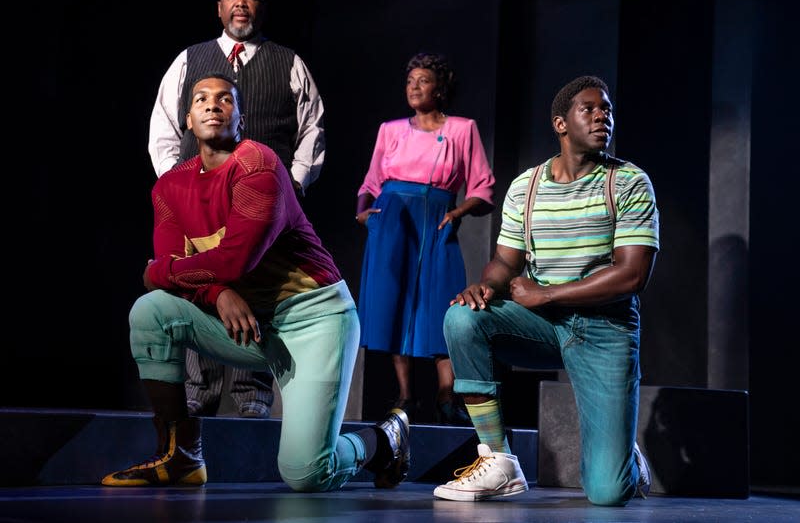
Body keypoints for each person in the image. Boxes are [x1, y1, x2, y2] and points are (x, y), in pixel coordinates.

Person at [103, 73, 409, 490]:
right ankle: (181, 456)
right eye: (201, 99)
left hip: (314, 321)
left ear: (240, 118)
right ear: (188, 121)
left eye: (225, 99)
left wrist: (158, 271)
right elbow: (189, 271)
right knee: (151, 313)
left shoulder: (258, 164)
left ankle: (383, 439)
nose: (213, 105)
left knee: (305, 473)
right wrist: (217, 292)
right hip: (249, 327)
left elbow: (230, 260)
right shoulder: (170, 187)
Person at [433, 75, 658, 504]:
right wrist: (484, 286)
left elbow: (632, 276)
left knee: (608, 493)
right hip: (540, 325)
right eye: (589, 109)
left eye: (606, 109)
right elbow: (505, 263)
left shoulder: (627, 182)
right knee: (462, 318)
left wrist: (548, 294)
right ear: (561, 123)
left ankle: (624, 455)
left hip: (604, 331)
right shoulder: (527, 186)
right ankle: (498, 459)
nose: (601, 117)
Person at [148, 0, 326, 418]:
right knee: (201, 281)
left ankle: (252, 400)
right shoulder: (190, 59)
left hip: (261, 206)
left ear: (260, 5)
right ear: (219, 6)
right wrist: (181, 188)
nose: (240, 3)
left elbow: (312, 131)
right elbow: (164, 129)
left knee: (258, 287)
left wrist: (293, 186)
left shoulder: (289, 63)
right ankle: (197, 394)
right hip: (199, 204)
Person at [356, 52, 496, 425]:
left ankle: (446, 391)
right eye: (409, 81)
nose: (414, 87)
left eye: (423, 80)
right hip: (392, 220)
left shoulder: (462, 129)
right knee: (394, 303)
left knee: (441, 301)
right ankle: (404, 396)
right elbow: (371, 182)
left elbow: (483, 188)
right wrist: (363, 212)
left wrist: (457, 212)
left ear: (441, 88)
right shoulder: (390, 130)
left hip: (436, 218)